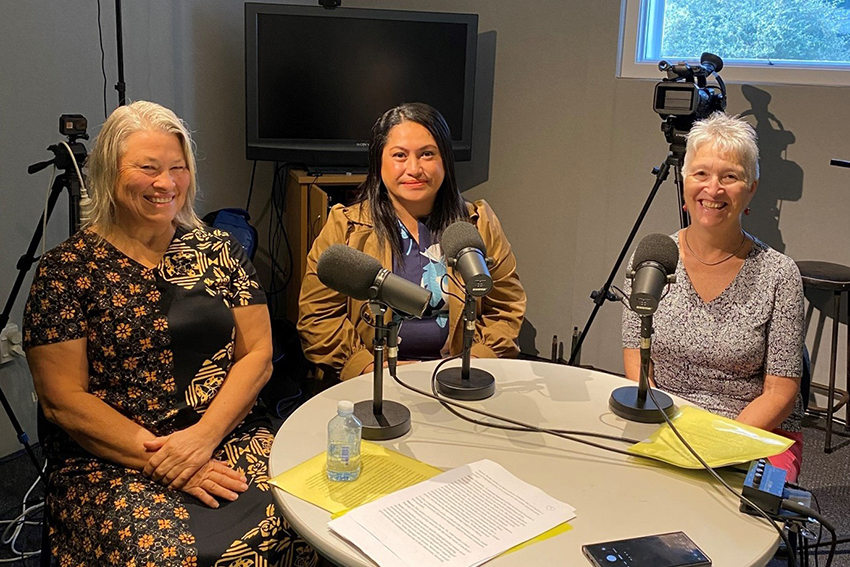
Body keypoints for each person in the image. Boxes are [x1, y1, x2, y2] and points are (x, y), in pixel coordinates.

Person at [23, 101, 318, 566]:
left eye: (177, 168)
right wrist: (170, 458)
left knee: (309, 516)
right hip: (113, 458)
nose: (167, 183)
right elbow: (63, 399)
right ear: (107, 172)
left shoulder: (216, 248)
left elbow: (258, 353)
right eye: (148, 168)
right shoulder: (66, 271)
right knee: (172, 555)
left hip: (226, 431)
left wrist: (203, 437)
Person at [622, 112, 805, 482]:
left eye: (730, 176)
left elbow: (781, 391)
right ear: (685, 181)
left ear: (751, 189)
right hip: (666, 421)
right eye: (701, 173)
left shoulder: (779, 274)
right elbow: (636, 361)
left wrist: (717, 444)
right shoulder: (653, 259)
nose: (713, 189)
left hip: (752, 432)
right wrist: (665, 432)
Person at [298, 103, 526, 381]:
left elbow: (506, 307)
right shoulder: (345, 227)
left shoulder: (477, 222)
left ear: (445, 160)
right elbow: (318, 317)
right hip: (374, 379)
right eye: (399, 155)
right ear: (379, 162)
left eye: (427, 154)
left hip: (458, 376)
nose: (414, 168)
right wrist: (371, 369)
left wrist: (472, 362)